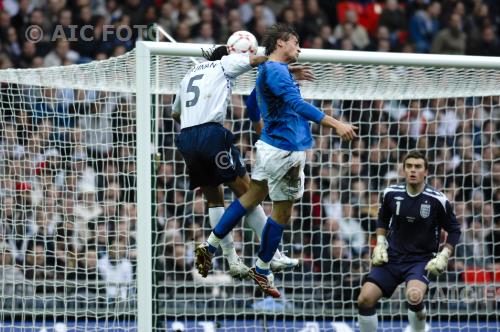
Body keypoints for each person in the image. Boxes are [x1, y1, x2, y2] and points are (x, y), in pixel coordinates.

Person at [194, 23, 358, 298]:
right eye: (295, 42)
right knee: (265, 204)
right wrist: (335, 123)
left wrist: (289, 73)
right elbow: (297, 105)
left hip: (280, 146)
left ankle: (236, 256)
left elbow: (265, 93)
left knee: (264, 203)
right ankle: (248, 260)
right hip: (283, 148)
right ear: (281, 42)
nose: (299, 48)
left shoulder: (272, 70)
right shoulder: (274, 70)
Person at [173, 43, 308, 278]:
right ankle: (273, 254)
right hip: (210, 134)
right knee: (248, 193)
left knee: (214, 200)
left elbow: (175, 113)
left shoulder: (187, 76)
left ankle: (232, 261)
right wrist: (282, 68)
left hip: (186, 138)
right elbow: (256, 62)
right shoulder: (224, 63)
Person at [357, 151, 461, 332]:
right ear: (404, 170)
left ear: (426, 171)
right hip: (392, 258)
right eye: (409, 166)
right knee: (364, 299)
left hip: (420, 260)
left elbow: (454, 230)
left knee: (414, 296)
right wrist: (380, 242)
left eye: (418, 166)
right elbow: (382, 220)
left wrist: (445, 254)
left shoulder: (438, 199)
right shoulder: (390, 193)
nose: (413, 170)